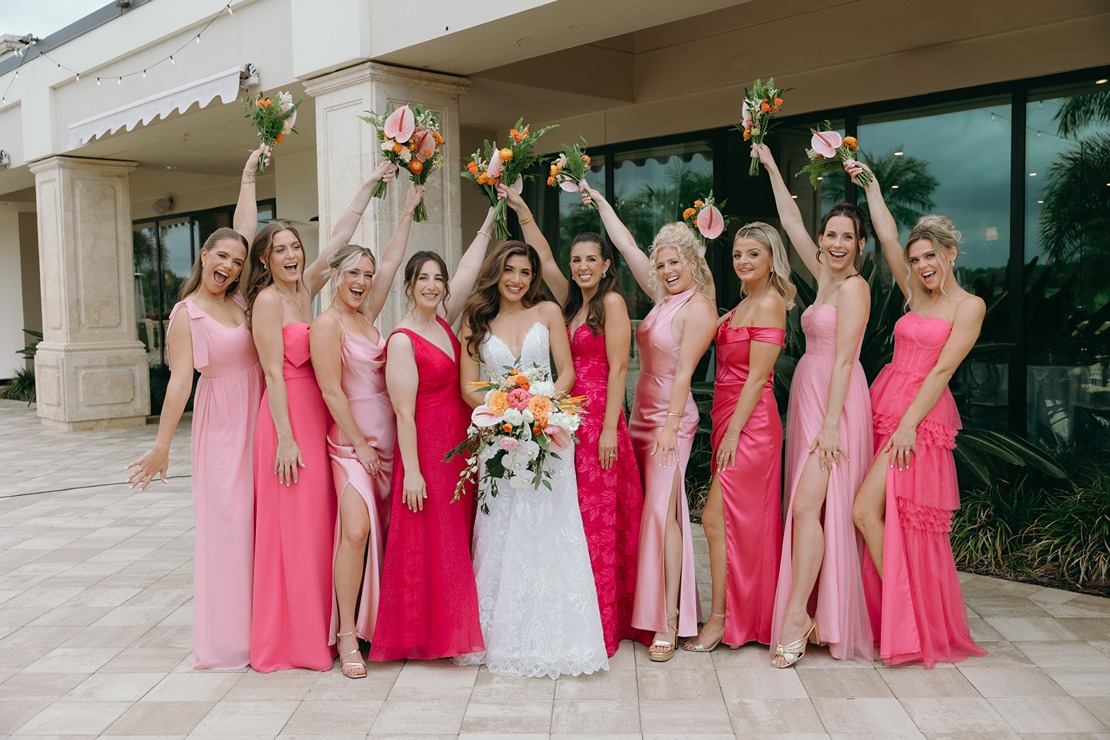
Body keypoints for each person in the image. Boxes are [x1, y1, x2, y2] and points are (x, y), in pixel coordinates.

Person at [246, 160, 397, 672]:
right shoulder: (268, 301)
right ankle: (295, 638)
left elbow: (338, 240)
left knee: (319, 530)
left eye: (295, 247)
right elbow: (270, 374)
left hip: (321, 418)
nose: (292, 255)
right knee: (292, 530)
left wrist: (373, 183)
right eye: (280, 249)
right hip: (288, 421)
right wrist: (286, 438)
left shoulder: (305, 292)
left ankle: (327, 627)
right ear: (264, 259)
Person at [126, 147, 267, 670]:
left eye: (236, 261)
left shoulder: (239, 301)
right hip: (224, 429)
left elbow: (247, 231)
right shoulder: (188, 314)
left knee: (261, 529)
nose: (229, 266)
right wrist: (162, 445)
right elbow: (179, 384)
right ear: (203, 257)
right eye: (220, 257)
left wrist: (249, 176)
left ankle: (268, 631)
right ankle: (230, 643)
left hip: (261, 421)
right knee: (229, 533)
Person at [499, 185, 651, 657]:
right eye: (577, 260)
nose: (583, 267)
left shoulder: (612, 304)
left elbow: (621, 367)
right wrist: (521, 208)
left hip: (601, 421)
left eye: (592, 260)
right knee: (577, 523)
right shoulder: (571, 304)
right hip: (567, 422)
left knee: (604, 525)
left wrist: (610, 427)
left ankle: (610, 621)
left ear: (606, 265)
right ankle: (579, 614)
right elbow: (542, 256)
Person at [849, 160, 989, 667]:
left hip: (919, 422)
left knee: (867, 512)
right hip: (885, 408)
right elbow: (885, 235)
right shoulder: (913, 294)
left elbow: (942, 372)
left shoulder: (968, 306)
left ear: (950, 254)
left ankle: (912, 621)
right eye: (917, 258)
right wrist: (871, 186)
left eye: (931, 255)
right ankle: (899, 623)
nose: (924, 265)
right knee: (884, 519)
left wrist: (908, 424)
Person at [455, 239, 609, 678]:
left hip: (549, 434)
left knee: (550, 529)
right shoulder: (476, 319)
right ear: (496, 272)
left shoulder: (547, 313)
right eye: (510, 271)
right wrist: (505, 410)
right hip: (499, 437)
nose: (517, 280)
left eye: (525, 272)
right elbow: (470, 386)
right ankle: (499, 632)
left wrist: (537, 408)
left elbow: (567, 373)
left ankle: (561, 636)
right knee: (502, 527)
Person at [580, 184, 716, 662]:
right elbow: (627, 247)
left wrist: (669, 425)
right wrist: (599, 202)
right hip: (640, 418)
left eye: (675, 262)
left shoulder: (699, 308)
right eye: (661, 264)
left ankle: (671, 621)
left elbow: (684, 374)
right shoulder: (662, 298)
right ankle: (648, 608)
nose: (665, 270)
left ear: (694, 263)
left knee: (665, 516)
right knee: (648, 515)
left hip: (671, 421)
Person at [752, 143, 874, 668]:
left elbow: (845, 362)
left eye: (848, 237)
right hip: (807, 397)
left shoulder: (854, 289)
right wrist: (773, 164)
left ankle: (799, 615)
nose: (837, 243)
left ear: (860, 244)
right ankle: (809, 612)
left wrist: (830, 427)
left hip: (835, 405)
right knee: (806, 511)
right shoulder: (823, 277)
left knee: (807, 507)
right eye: (831, 235)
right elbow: (790, 219)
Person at [369, 212, 495, 662]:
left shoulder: (442, 323)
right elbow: (404, 413)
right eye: (423, 278)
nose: (433, 285)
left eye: (438, 279)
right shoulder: (402, 339)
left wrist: (490, 213)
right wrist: (414, 474)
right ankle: (439, 636)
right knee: (435, 539)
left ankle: (453, 626)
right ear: (408, 285)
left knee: (454, 538)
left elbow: (467, 269)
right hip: (427, 450)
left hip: (459, 447)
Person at [309, 186, 424, 679]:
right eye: (353, 273)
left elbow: (395, 261)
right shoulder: (328, 324)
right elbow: (332, 394)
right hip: (352, 447)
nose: (362, 282)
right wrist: (360, 445)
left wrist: (404, 210)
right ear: (335, 276)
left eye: (367, 276)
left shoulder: (368, 317)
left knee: (390, 538)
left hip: (392, 446)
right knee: (355, 533)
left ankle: (383, 627)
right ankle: (346, 636)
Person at [682, 223, 793, 652]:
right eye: (738, 255)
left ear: (771, 259)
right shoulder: (743, 304)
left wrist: (730, 434)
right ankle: (749, 616)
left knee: (714, 519)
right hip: (730, 420)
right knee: (737, 525)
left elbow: (758, 378)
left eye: (753, 254)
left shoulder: (770, 303)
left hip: (751, 425)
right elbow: (711, 313)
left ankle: (720, 619)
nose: (743, 262)